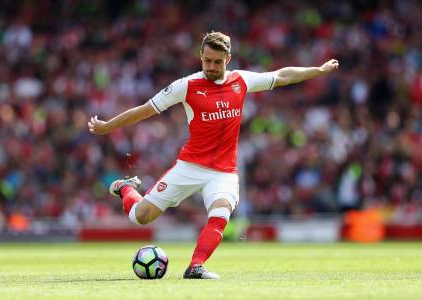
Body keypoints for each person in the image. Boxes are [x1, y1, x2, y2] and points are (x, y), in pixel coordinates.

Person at [88, 31, 339, 279]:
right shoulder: (186, 86)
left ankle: (195, 266)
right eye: (207, 60)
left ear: (228, 58)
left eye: (217, 62)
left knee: (221, 213)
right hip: (190, 166)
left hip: (224, 172)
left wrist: (318, 70)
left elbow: (281, 75)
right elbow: (146, 110)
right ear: (201, 56)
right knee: (140, 217)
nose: (211, 66)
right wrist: (108, 125)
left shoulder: (241, 80)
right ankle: (125, 188)